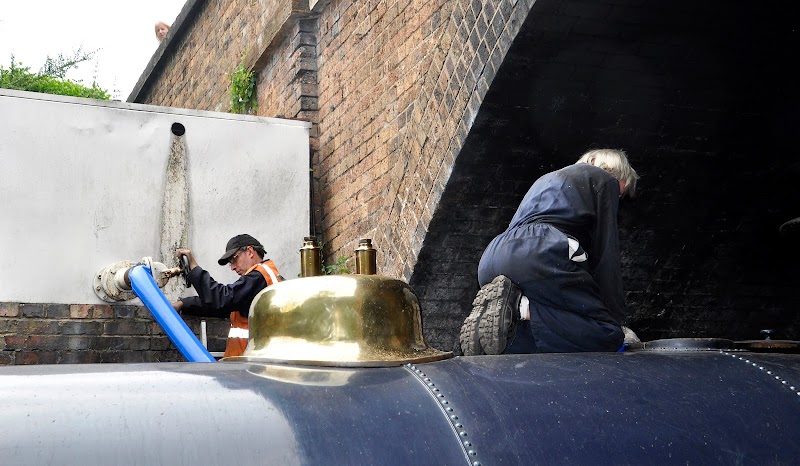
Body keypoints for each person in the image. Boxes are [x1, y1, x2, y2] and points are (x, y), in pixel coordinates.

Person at [460, 149, 639, 355]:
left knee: (560, 318)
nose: (617, 197)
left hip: (494, 256)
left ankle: (510, 335)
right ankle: (521, 308)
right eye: (619, 193)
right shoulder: (604, 180)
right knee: (607, 333)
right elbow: (606, 253)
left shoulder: (546, 180)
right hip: (541, 252)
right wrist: (617, 320)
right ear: (614, 171)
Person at [172, 234, 283, 357]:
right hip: (248, 363)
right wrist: (184, 304)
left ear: (250, 251)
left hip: (252, 363)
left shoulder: (260, 276)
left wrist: (193, 267)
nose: (232, 267)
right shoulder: (261, 278)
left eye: (234, 259)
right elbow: (222, 306)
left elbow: (222, 299)